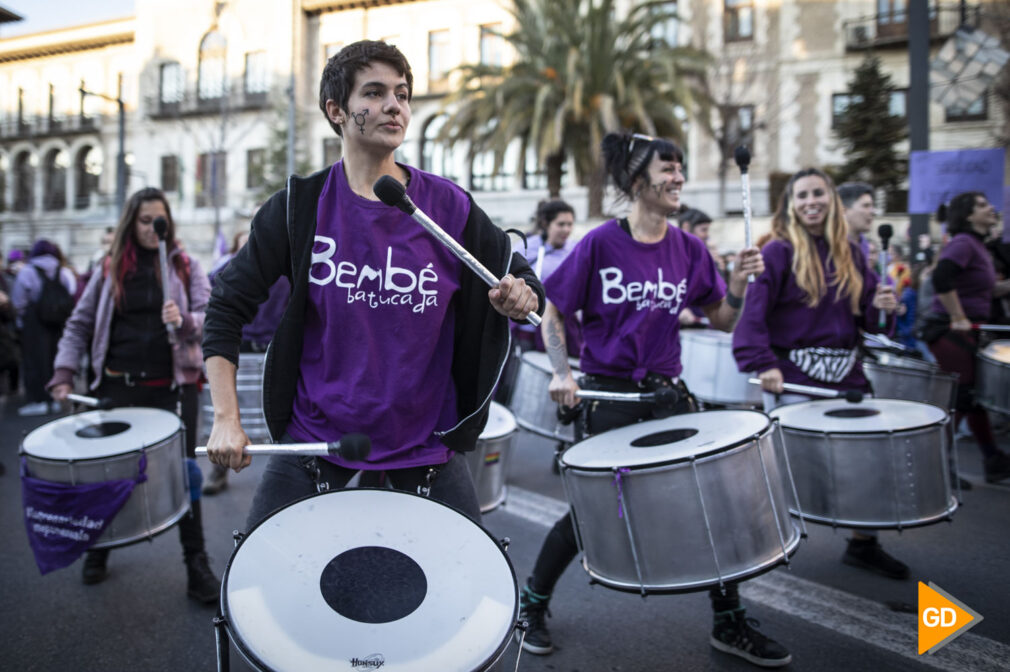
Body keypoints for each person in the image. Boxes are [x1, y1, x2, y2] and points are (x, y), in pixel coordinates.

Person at [201, 40, 541, 530]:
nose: (394, 106)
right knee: (258, 593)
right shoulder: (300, 207)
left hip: (424, 445)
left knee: (465, 597)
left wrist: (522, 293)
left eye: (402, 94)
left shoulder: (447, 206)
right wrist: (225, 418)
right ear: (337, 111)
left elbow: (520, 276)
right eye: (376, 93)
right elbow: (226, 306)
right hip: (317, 439)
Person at [521, 131, 788, 667]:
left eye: (681, 169)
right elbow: (553, 309)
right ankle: (532, 604)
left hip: (668, 395)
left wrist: (736, 284)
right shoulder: (600, 243)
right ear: (637, 180)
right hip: (608, 396)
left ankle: (729, 621)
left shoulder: (689, 248)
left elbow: (721, 317)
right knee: (591, 515)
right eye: (668, 169)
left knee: (712, 501)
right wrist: (561, 370)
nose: (679, 178)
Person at [47, 187, 220, 602]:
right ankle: (100, 548)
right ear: (131, 223)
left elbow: (210, 316)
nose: (151, 229)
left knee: (184, 474)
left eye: (158, 221)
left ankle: (196, 563)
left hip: (172, 390)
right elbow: (79, 323)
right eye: (143, 221)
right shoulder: (110, 268)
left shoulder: (184, 266)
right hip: (116, 387)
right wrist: (64, 373)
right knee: (105, 474)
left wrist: (184, 322)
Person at [732, 168, 905, 580]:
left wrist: (883, 305)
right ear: (791, 204)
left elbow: (872, 323)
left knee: (866, 465)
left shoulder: (852, 251)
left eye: (818, 193)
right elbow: (751, 317)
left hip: (847, 379)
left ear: (831, 200)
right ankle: (763, 545)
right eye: (802, 195)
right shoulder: (776, 252)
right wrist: (765, 363)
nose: (811, 201)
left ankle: (864, 545)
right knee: (787, 473)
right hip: (794, 378)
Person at [922, 192, 1010, 482]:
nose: (991, 208)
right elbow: (941, 277)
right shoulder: (962, 243)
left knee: (975, 399)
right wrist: (958, 316)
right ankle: (936, 467)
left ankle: (992, 459)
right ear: (968, 215)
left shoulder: (978, 246)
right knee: (961, 398)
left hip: (970, 329)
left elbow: (986, 291)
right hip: (953, 332)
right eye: (983, 205)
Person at [202, 224, 291, 495]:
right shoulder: (229, 269)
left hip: (273, 346)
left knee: (274, 418)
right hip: (240, 347)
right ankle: (219, 470)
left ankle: (284, 477)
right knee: (231, 413)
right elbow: (217, 299)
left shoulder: (287, 265)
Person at [12, 240, 77, 416]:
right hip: (59, 324)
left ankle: (39, 400)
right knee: (55, 360)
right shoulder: (63, 272)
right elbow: (72, 292)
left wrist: (19, 325)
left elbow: (19, 302)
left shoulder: (27, 272)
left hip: (34, 326)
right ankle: (56, 398)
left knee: (35, 363)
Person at [513, 199, 579, 353]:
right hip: (529, 328)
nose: (566, 229)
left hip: (562, 329)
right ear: (546, 224)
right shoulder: (527, 247)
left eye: (570, 224)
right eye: (561, 224)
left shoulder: (576, 249)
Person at [838, 181, 874, 260]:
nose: (872, 211)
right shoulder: (829, 245)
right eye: (866, 206)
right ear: (844, 210)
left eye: (872, 206)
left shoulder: (864, 245)